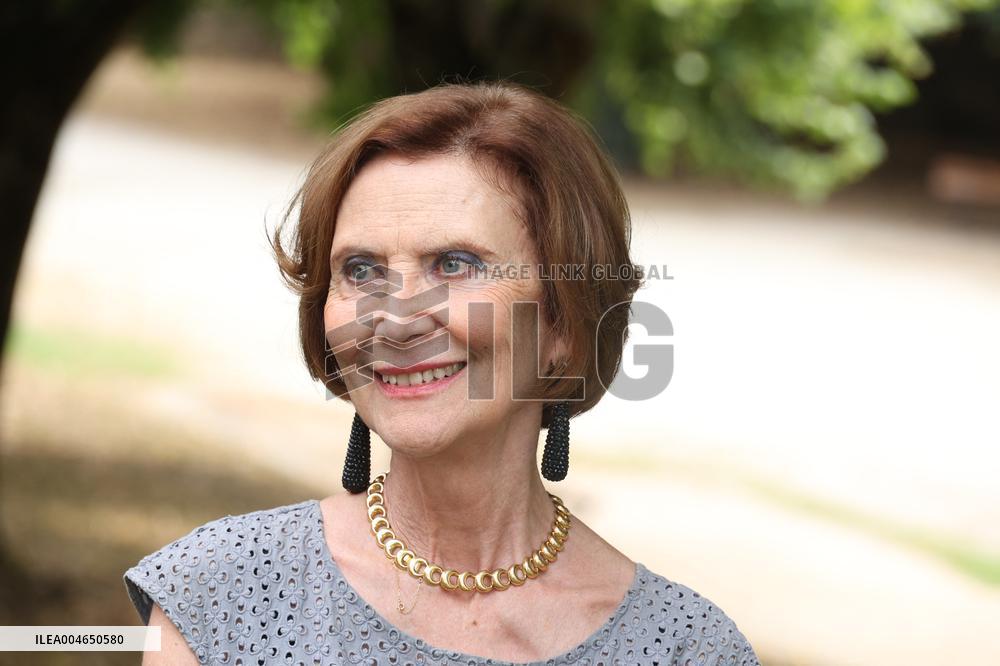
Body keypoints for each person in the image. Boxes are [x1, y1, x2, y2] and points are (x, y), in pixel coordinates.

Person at [123, 81, 760, 665]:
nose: (396, 322)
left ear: (565, 325)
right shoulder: (220, 594)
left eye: (454, 265)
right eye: (361, 271)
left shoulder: (687, 649)